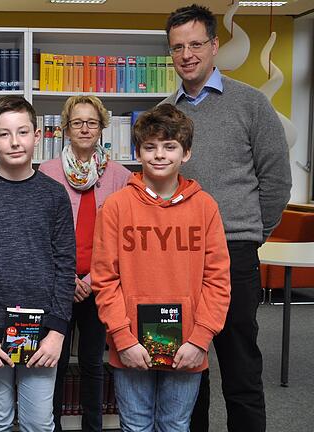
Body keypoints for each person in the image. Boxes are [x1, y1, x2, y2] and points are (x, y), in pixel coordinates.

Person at [162, 5, 292, 431]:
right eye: (178, 47)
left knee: (240, 366)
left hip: (234, 252)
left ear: (215, 45)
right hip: (177, 257)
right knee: (186, 368)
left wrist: (249, 234)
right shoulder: (165, 113)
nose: (187, 54)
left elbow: (276, 180)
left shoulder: (251, 104)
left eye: (196, 44)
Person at [91, 104, 231, 431]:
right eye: (150, 147)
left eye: (170, 146)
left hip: (188, 345)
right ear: (137, 152)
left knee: (175, 425)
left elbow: (218, 280)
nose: (159, 155)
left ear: (186, 153)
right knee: (135, 425)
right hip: (130, 344)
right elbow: (105, 279)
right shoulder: (115, 207)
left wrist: (200, 339)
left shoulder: (205, 207)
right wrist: (123, 338)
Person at [0, 95, 75, 432]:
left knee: (39, 422)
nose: (15, 141)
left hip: (42, 331)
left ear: (37, 136)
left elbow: (66, 265)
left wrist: (57, 332)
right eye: (4, 134)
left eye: (22, 132)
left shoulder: (54, 194)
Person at [39, 95, 131, 431]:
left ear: (102, 128)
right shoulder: (46, 172)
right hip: (57, 282)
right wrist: (66, 279)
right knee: (55, 361)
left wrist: (91, 280)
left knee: (93, 361)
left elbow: (124, 236)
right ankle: (53, 426)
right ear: (65, 128)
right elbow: (40, 233)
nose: (84, 128)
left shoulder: (120, 176)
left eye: (91, 122)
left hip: (100, 283)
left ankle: (92, 426)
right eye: (77, 122)